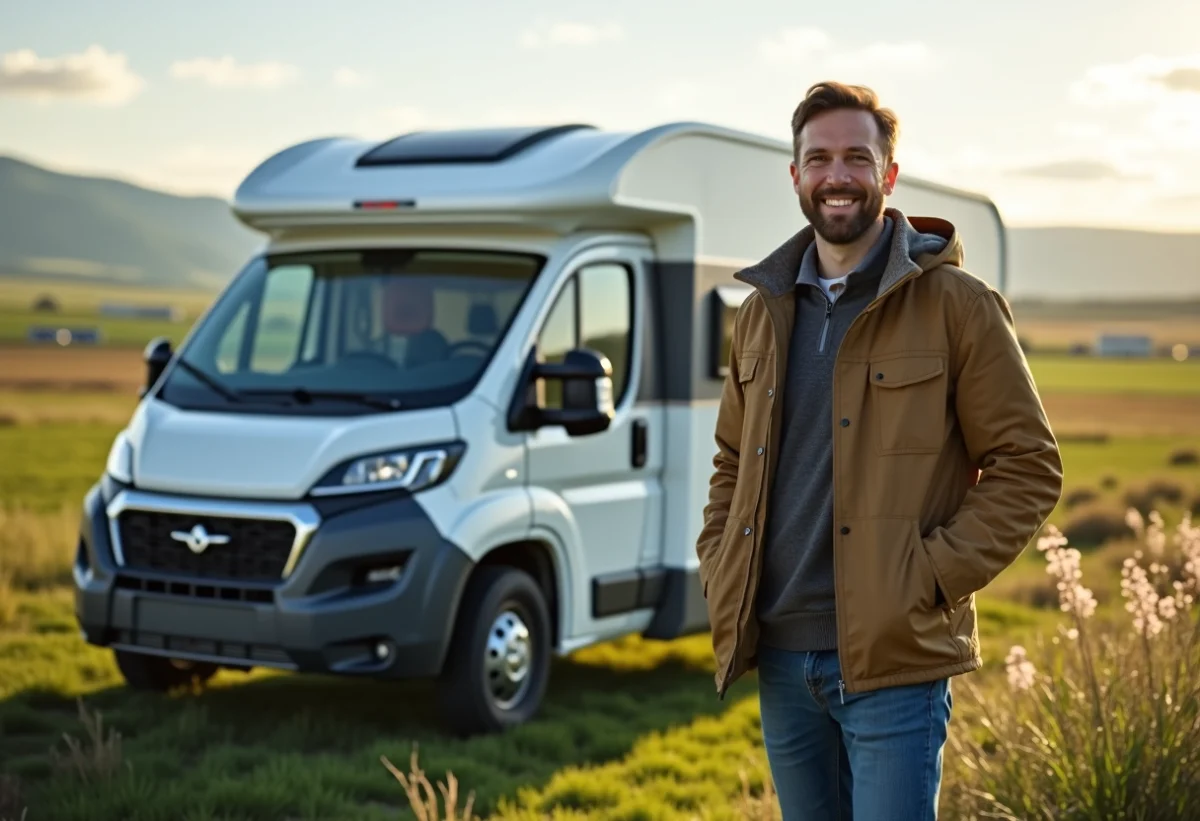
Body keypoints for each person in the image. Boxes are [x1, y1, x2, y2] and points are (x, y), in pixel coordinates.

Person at [695, 81, 1063, 820]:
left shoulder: (958, 305)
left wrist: (928, 576)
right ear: (795, 175)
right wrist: (720, 561)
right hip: (782, 656)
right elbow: (732, 461)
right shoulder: (762, 314)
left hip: (896, 659)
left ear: (889, 175)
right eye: (819, 158)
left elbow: (1029, 465)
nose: (837, 175)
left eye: (857, 158)